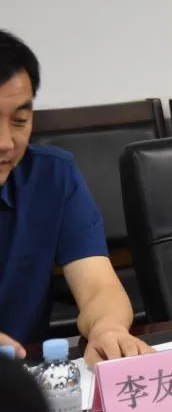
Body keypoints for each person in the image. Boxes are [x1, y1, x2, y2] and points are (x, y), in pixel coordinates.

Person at [0, 29, 153, 366]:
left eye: (20, 121)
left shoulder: (51, 176)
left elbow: (98, 286)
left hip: (26, 380)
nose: (6, 143)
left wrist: (107, 328)